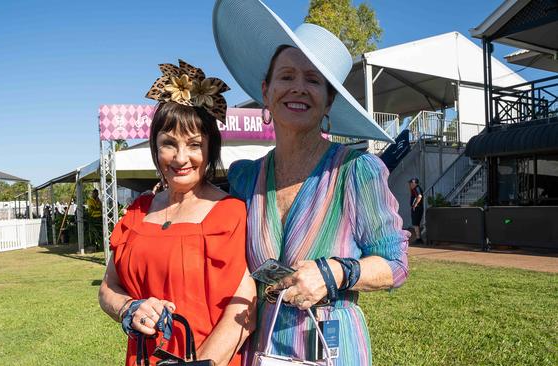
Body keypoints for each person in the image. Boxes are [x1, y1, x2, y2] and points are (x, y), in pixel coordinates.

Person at [213, 1, 409, 365]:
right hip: (263, 349)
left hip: (333, 351)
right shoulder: (244, 177)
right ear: (266, 90)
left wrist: (336, 272)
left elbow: (396, 264)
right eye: (286, 76)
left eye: (313, 80)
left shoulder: (356, 170)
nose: (298, 88)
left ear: (328, 101)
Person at [98, 60, 256, 366]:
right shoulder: (137, 211)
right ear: (155, 148)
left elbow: (245, 310)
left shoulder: (231, 213)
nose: (180, 158)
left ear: (210, 148)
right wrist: (128, 308)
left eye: (194, 144)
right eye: (169, 144)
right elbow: (108, 288)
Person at [409, 178, 424, 244]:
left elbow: (419, 196)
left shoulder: (417, 188)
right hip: (416, 208)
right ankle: (418, 238)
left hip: (417, 208)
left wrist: (415, 205)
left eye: (412, 183)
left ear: (416, 183)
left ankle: (419, 239)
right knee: (415, 224)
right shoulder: (414, 189)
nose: (410, 184)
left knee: (416, 223)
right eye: (410, 183)